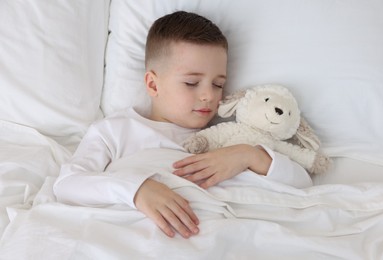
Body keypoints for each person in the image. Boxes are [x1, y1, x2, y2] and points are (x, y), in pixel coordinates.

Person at [54, 11, 312, 239]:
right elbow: (68, 184)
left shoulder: (226, 137)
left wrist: (247, 155)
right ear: (154, 84)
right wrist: (137, 189)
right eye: (191, 83)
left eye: (218, 84)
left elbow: (303, 185)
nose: (209, 96)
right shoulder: (116, 130)